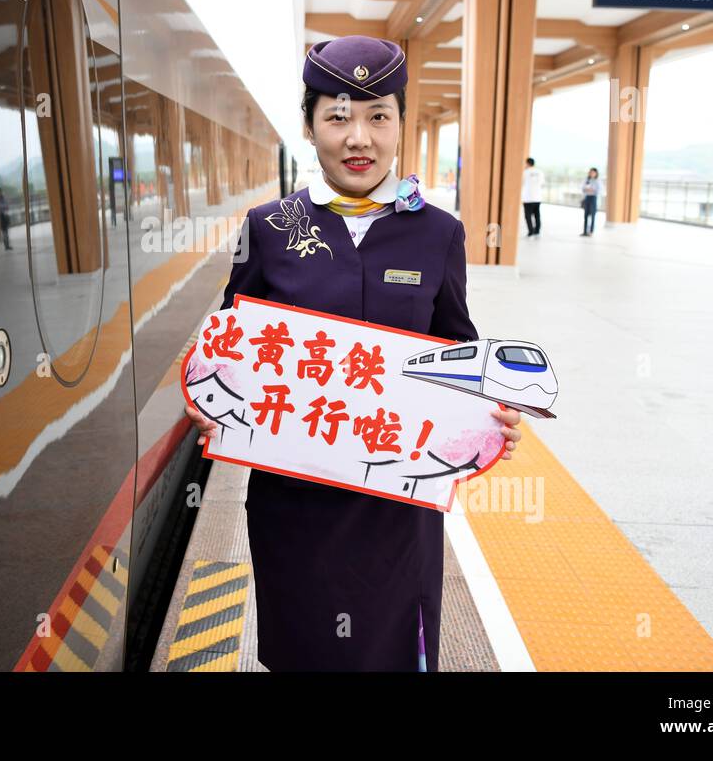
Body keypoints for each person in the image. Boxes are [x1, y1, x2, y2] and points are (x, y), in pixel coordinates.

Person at [183, 35, 521, 672]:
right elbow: (225, 346)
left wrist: (489, 420)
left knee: (392, 651)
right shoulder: (269, 229)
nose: (358, 137)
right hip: (294, 503)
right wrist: (207, 402)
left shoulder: (438, 234)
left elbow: (458, 349)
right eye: (338, 116)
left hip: (398, 507)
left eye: (378, 116)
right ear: (309, 127)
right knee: (304, 648)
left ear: (400, 124)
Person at [521, 156, 544, 237]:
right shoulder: (540, 172)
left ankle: (530, 231)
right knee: (537, 215)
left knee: (528, 215)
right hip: (537, 197)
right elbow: (542, 183)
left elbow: (522, 183)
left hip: (528, 198)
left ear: (527, 163)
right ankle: (537, 230)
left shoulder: (525, 172)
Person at [580, 167, 603, 236]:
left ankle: (591, 231)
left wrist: (592, 190)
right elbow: (583, 188)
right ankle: (585, 231)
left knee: (592, 215)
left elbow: (599, 190)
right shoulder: (587, 180)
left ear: (596, 173)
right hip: (587, 198)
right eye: (590, 172)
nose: (591, 173)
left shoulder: (598, 181)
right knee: (586, 215)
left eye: (592, 172)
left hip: (594, 198)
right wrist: (588, 190)